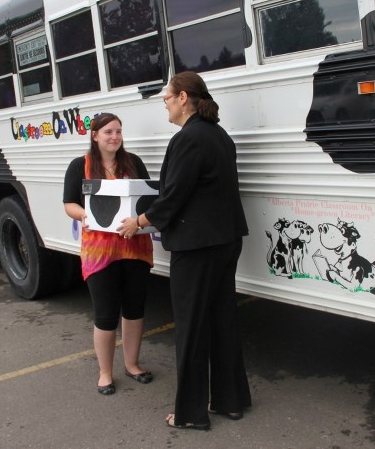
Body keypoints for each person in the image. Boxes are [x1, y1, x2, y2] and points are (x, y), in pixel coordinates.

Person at [119, 71, 251, 430]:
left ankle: (191, 414)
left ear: (183, 98)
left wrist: (139, 221)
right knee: (223, 321)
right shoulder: (220, 136)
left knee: (191, 328)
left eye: (166, 96)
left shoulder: (188, 138)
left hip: (197, 247)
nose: (164, 102)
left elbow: (173, 196)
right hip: (226, 241)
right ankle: (230, 400)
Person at [63, 112, 154, 395]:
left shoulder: (133, 162)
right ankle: (105, 373)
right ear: (95, 136)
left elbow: (148, 196)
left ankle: (132, 364)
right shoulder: (81, 166)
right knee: (105, 314)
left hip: (134, 248)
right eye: (108, 132)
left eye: (118, 131)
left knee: (134, 309)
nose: (114, 137)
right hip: (100, 251)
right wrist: (85, 216)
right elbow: (69, 203)